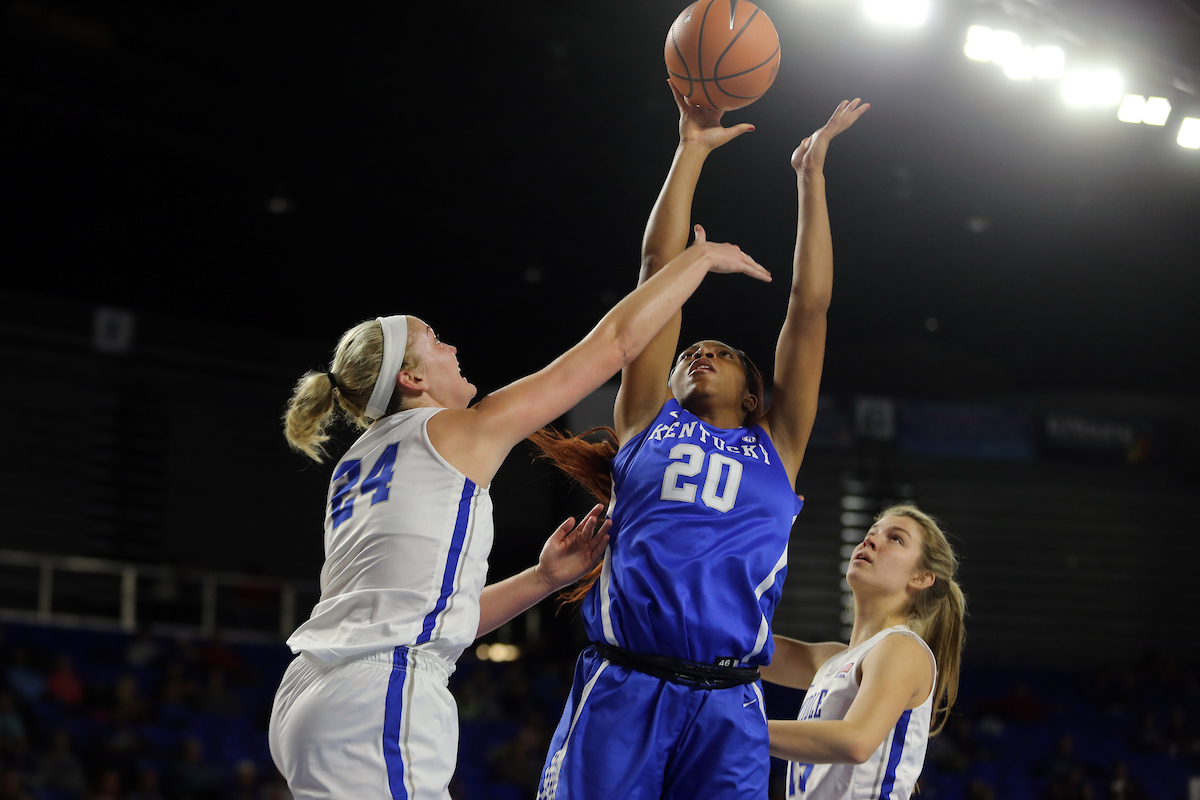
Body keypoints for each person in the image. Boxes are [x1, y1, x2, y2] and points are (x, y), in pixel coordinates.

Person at [267, 229, 770, 798]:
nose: (452, 348)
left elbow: (429, 614)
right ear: (412, 379)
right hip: (378, 688)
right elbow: (616, 344)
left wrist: (545, 578)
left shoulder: (354, 464)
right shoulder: (455, 429)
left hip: (310, 691)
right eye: (435, 341)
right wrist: (699, 259)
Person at [532, 92, 869, 799]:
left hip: (730, 698)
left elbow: (809, 310)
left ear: (754, 394)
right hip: (627, 680)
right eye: (691, 351)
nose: (698, 354)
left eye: (719, 352)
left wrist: (812, 180)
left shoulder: (776, 445)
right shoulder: (648, 418)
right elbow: (659, 269)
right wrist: (691, 148)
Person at [763, 505, 966, 800]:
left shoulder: (902, 647)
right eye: (872, 533)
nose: (869, 540)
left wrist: (745, 729)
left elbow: (856, 741)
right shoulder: (833, 661)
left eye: (895, 539)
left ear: (921, 578)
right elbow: (747, 648)